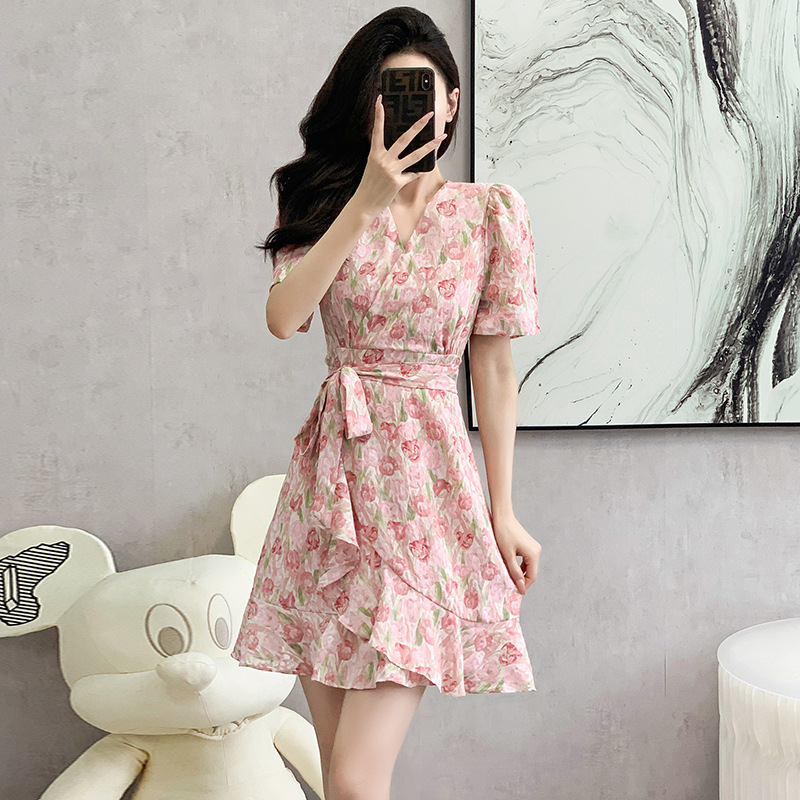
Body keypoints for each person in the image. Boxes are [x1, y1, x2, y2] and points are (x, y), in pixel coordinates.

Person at [231, 7, 542, 800]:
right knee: (342, 777)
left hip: (425, 498)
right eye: (387, 93)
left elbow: (493, 369)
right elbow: (284, 317)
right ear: (365, 104)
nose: (403, 109)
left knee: (356, 779)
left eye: (418, 92)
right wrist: (366, 200)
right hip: (328, 498)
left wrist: (503, 509)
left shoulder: (489, 214)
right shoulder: (319, 200)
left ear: (452, 103)